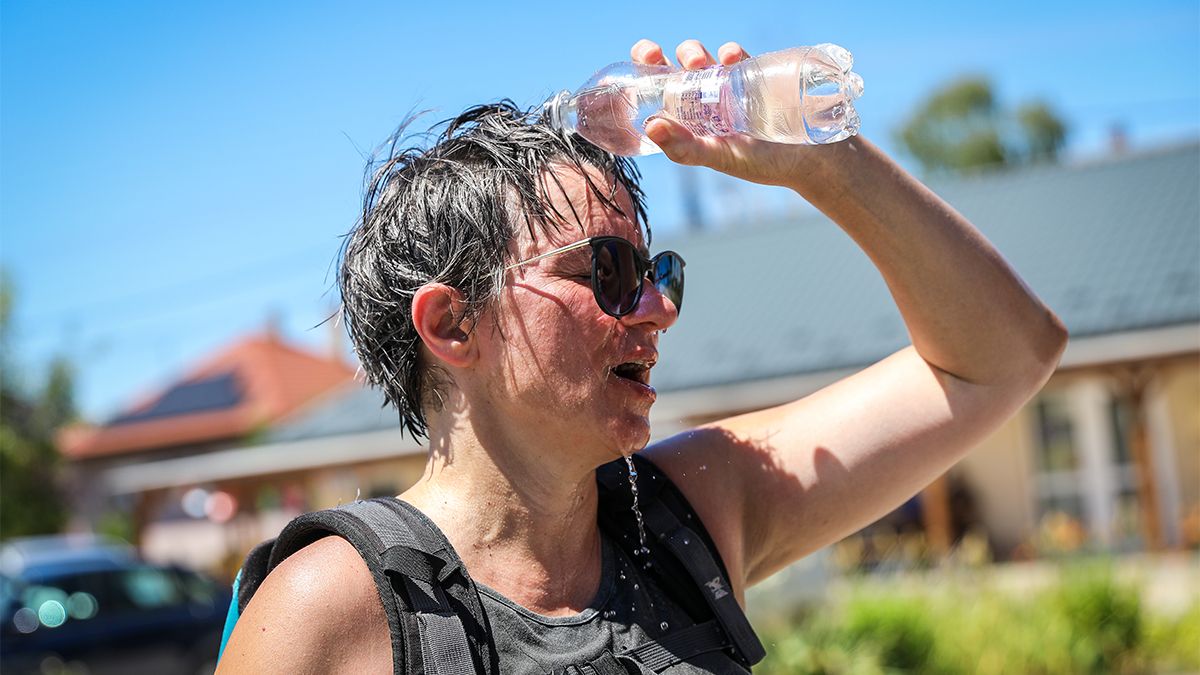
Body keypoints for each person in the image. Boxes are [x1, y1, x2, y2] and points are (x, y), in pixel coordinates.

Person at [217, 38, 1067, 674]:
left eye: (660, 272)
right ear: (451, 325)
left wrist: (825, 166)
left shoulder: (690, 519)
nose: (660, 308)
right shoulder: (332, 609)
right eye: (609, 272)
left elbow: (1003, 355)